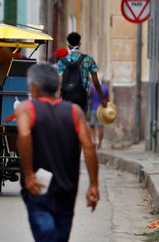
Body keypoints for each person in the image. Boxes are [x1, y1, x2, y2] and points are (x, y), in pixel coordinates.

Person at [15, 63, 100, 242]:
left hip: (38, 184)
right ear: (58, 86)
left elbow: (23, 134)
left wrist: (29, 174)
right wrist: (93, 185)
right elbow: (89, 146)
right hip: (67, 184)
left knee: (46, 235)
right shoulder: (74, 111)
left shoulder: (27, 108)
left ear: (34, 87)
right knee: (60, 237)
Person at [56, 32, 106, 113]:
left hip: (66, 97)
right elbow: (96, 82)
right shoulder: (88, 59)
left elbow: (59, 83)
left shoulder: (62, 61)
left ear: (68, 45)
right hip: (82, 98)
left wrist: (56, 100)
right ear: (80, 43)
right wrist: (102, 98)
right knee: (81, 122)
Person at [89, 81, 110, 149]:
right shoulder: (105, 88)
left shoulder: (92, 87)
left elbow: (89, 98)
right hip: (101, 110)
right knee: (100, 126)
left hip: (93, 109)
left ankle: (94, 141)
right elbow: (107, 100)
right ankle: (100, 144)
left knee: (92, 126)